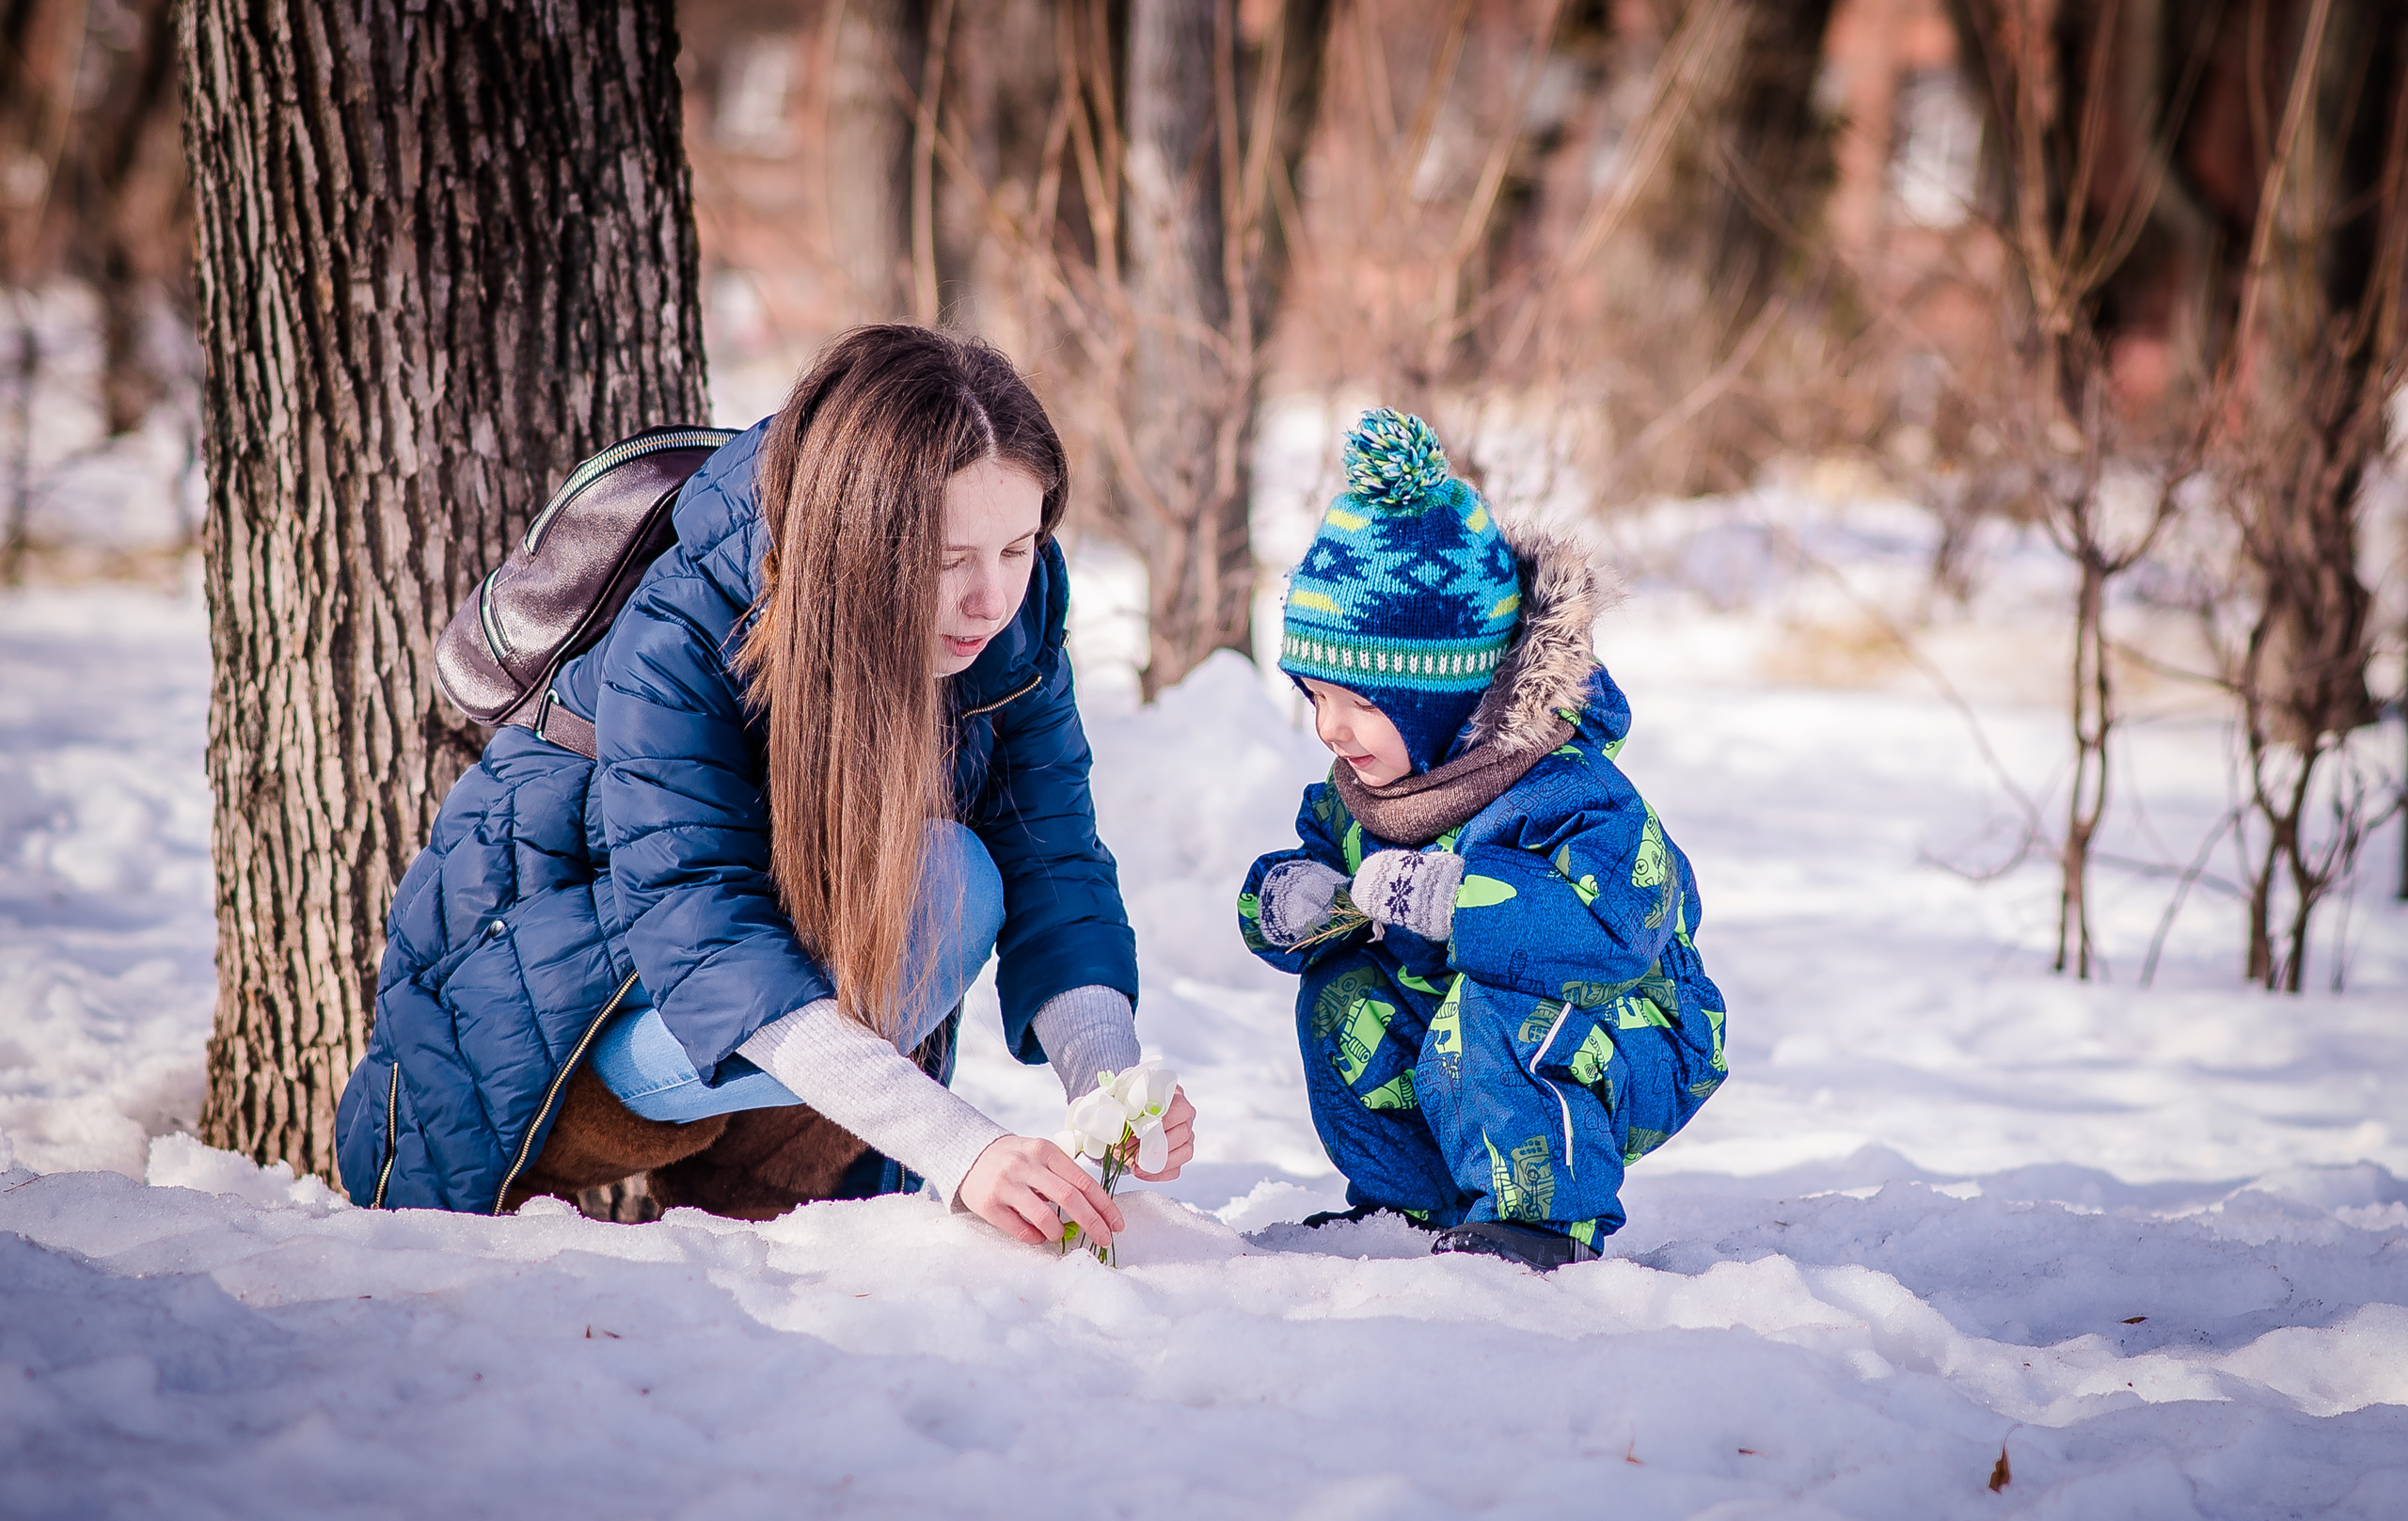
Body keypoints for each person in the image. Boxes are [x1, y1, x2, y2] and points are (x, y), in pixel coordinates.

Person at [336, 325, 1193, 1253]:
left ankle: (761, 1168)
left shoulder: (1010, 621)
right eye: (949, 560)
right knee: (934, 892)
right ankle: (688, 1138)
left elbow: (1053, 859)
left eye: (1017, 548)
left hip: (750, 985)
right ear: (854, 541)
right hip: (547, 1018)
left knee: (959, 876)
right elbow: (699, 922)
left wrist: (1112, 1092)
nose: (991, 598)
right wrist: (961, 1148)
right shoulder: (686, 623)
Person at [1237, 409, 1728, 1271]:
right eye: (1315, 697)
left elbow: (1616, 930)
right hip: (1469, 1026)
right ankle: (1411, 1200)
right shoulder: (1368, 790)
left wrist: (1448, 897)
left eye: (1359, 702)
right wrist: (1290, 902)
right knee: (1344, 994)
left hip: (1630, 1028)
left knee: (1488, 1007)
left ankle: (1541, 1216)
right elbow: (1315, 858)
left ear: (1437, 696)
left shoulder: (1568, 788)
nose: (1331, 728)